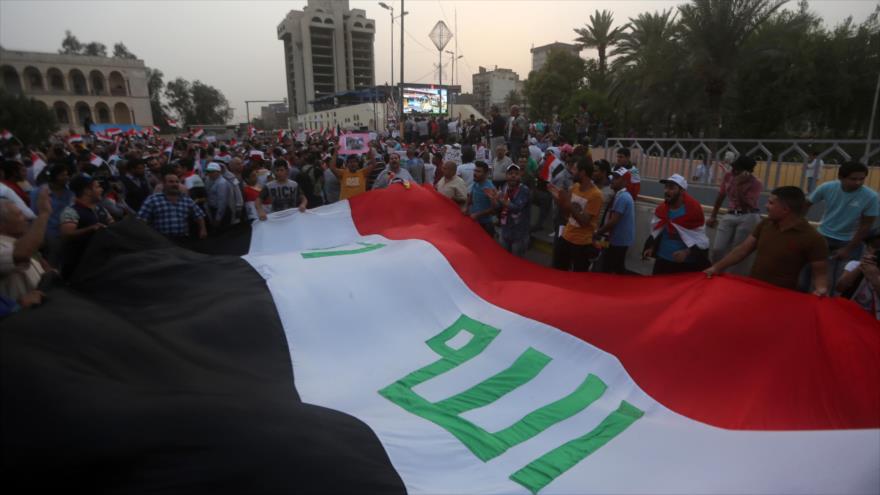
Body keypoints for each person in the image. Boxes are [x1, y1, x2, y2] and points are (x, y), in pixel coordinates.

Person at [705, 186, 829, 295]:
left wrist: (821, 289)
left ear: (785, 209)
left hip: (783, 296)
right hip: (754, 288)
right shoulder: (765, 224)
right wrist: (716, 268)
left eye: (771, 203)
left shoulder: (813, 238)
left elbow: (820, 273)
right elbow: (742, 250)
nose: (766, 206)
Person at [806, 161, 879, 292]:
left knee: (840, 284)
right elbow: (806, 204)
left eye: (861, 179)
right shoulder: (827, 187)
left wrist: (848, 249)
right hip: (823, 236)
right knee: (814, 277)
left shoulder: (871, 197)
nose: (858, 182)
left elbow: (866, 226)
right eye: (853, 179)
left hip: (850, 241)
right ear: (841, 177)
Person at [706, 156, 764, 275]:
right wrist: (713, 215)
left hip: (748, 216)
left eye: (738, 170)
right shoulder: (728, 176)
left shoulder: (755, 183)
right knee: (718, 248)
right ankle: (716, 269)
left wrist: (738, 186)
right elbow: (721, 195)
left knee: (737, 251)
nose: (734, 171)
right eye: (734, 168)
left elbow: (748, 205)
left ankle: (731, 277)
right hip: (731, 214)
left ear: (747, 171)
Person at [643, 174, 711, 274]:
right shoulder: (661, 209)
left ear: (682, 191)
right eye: (666, 187)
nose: (666, 191)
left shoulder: (693, 211)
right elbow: (657, 230)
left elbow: (700, 240)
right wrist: (651, 247)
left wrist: (686, 253)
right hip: (662, 260)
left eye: (671, 188)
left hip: (685, 264)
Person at [549, 158, 603, 272]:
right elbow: (566, 214)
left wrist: (568, 204)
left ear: (582, 172)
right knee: (558, 270)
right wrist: (559, 199)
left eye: (574, 169)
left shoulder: (596, 195)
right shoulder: (575, 187)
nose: (571, 171)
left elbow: (584, 222)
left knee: (578, 278)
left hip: (582, 244)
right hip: (566, 237)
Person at [0, 188, 51, 307]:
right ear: (1, 225)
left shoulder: (19, 240)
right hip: (19, 319)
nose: (26, 218)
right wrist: (44, 213)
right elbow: (22, 254)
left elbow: (32, 254)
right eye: (19, 215)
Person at [59, 174, 114, 278]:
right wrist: (91, 229)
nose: (101, 189)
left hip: (103, 265)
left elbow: (113, 225)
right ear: (87, 191)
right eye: (97, 187)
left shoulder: (101, 210)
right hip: (79, 269)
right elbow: (66, 234)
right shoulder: (71, 211)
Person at [138, 170, 207, 239]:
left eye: (177, 182)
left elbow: (199, 215)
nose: (175, 184)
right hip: (161, 240)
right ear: (164, 184)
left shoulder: (186, 199)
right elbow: (141, 220)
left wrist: (203, 229)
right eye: (171, 182)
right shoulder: (153, 199)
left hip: (183, 240)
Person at [595, 168, 635, 274]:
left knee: (612, 267)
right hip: (614, 239)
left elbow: (613, 221)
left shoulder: (623, 197)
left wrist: (598, 232)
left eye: (617, 178)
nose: (612, 180)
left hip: (618, 241)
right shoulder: (619, 195)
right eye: (613, 177)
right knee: (610, 265)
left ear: (625, 182)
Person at [487, 164, 530, 257]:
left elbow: (516, 208)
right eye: (510, 173)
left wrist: (501, 199)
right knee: (504, 257)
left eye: (516, 173)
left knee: (516, 261)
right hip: (505, 230)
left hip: (519, 234)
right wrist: (493, 200)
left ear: (520, 175)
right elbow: (499, 207)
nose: (513, 176)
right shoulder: (504, 187)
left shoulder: (524, 190)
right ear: (506, 176)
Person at [836, 228, 880, 319]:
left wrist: (875, 278)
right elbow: (840, 288)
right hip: (852, 313)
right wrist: (861, 267)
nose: (877, 251)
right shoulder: (854, 265)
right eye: (875, 246)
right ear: (867, 247)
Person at [466, 161, 497, 237]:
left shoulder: (489, 188)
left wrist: (477, 215)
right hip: (475, 221)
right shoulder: (476, 183)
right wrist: (466, 208)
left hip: (486, 224)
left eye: (478, 171)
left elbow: (493, 209)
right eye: (475, 170)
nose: (475, 173)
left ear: (486, 174)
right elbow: (471, 196)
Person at [204, 162, 236, 232]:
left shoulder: (222, 183)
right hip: (212, 210)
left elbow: (222, 202)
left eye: (212, 172)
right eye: (208, 171)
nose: (210, 173)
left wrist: (218, 218)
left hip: (222, 212)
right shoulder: (208, 180)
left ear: (218, 172)